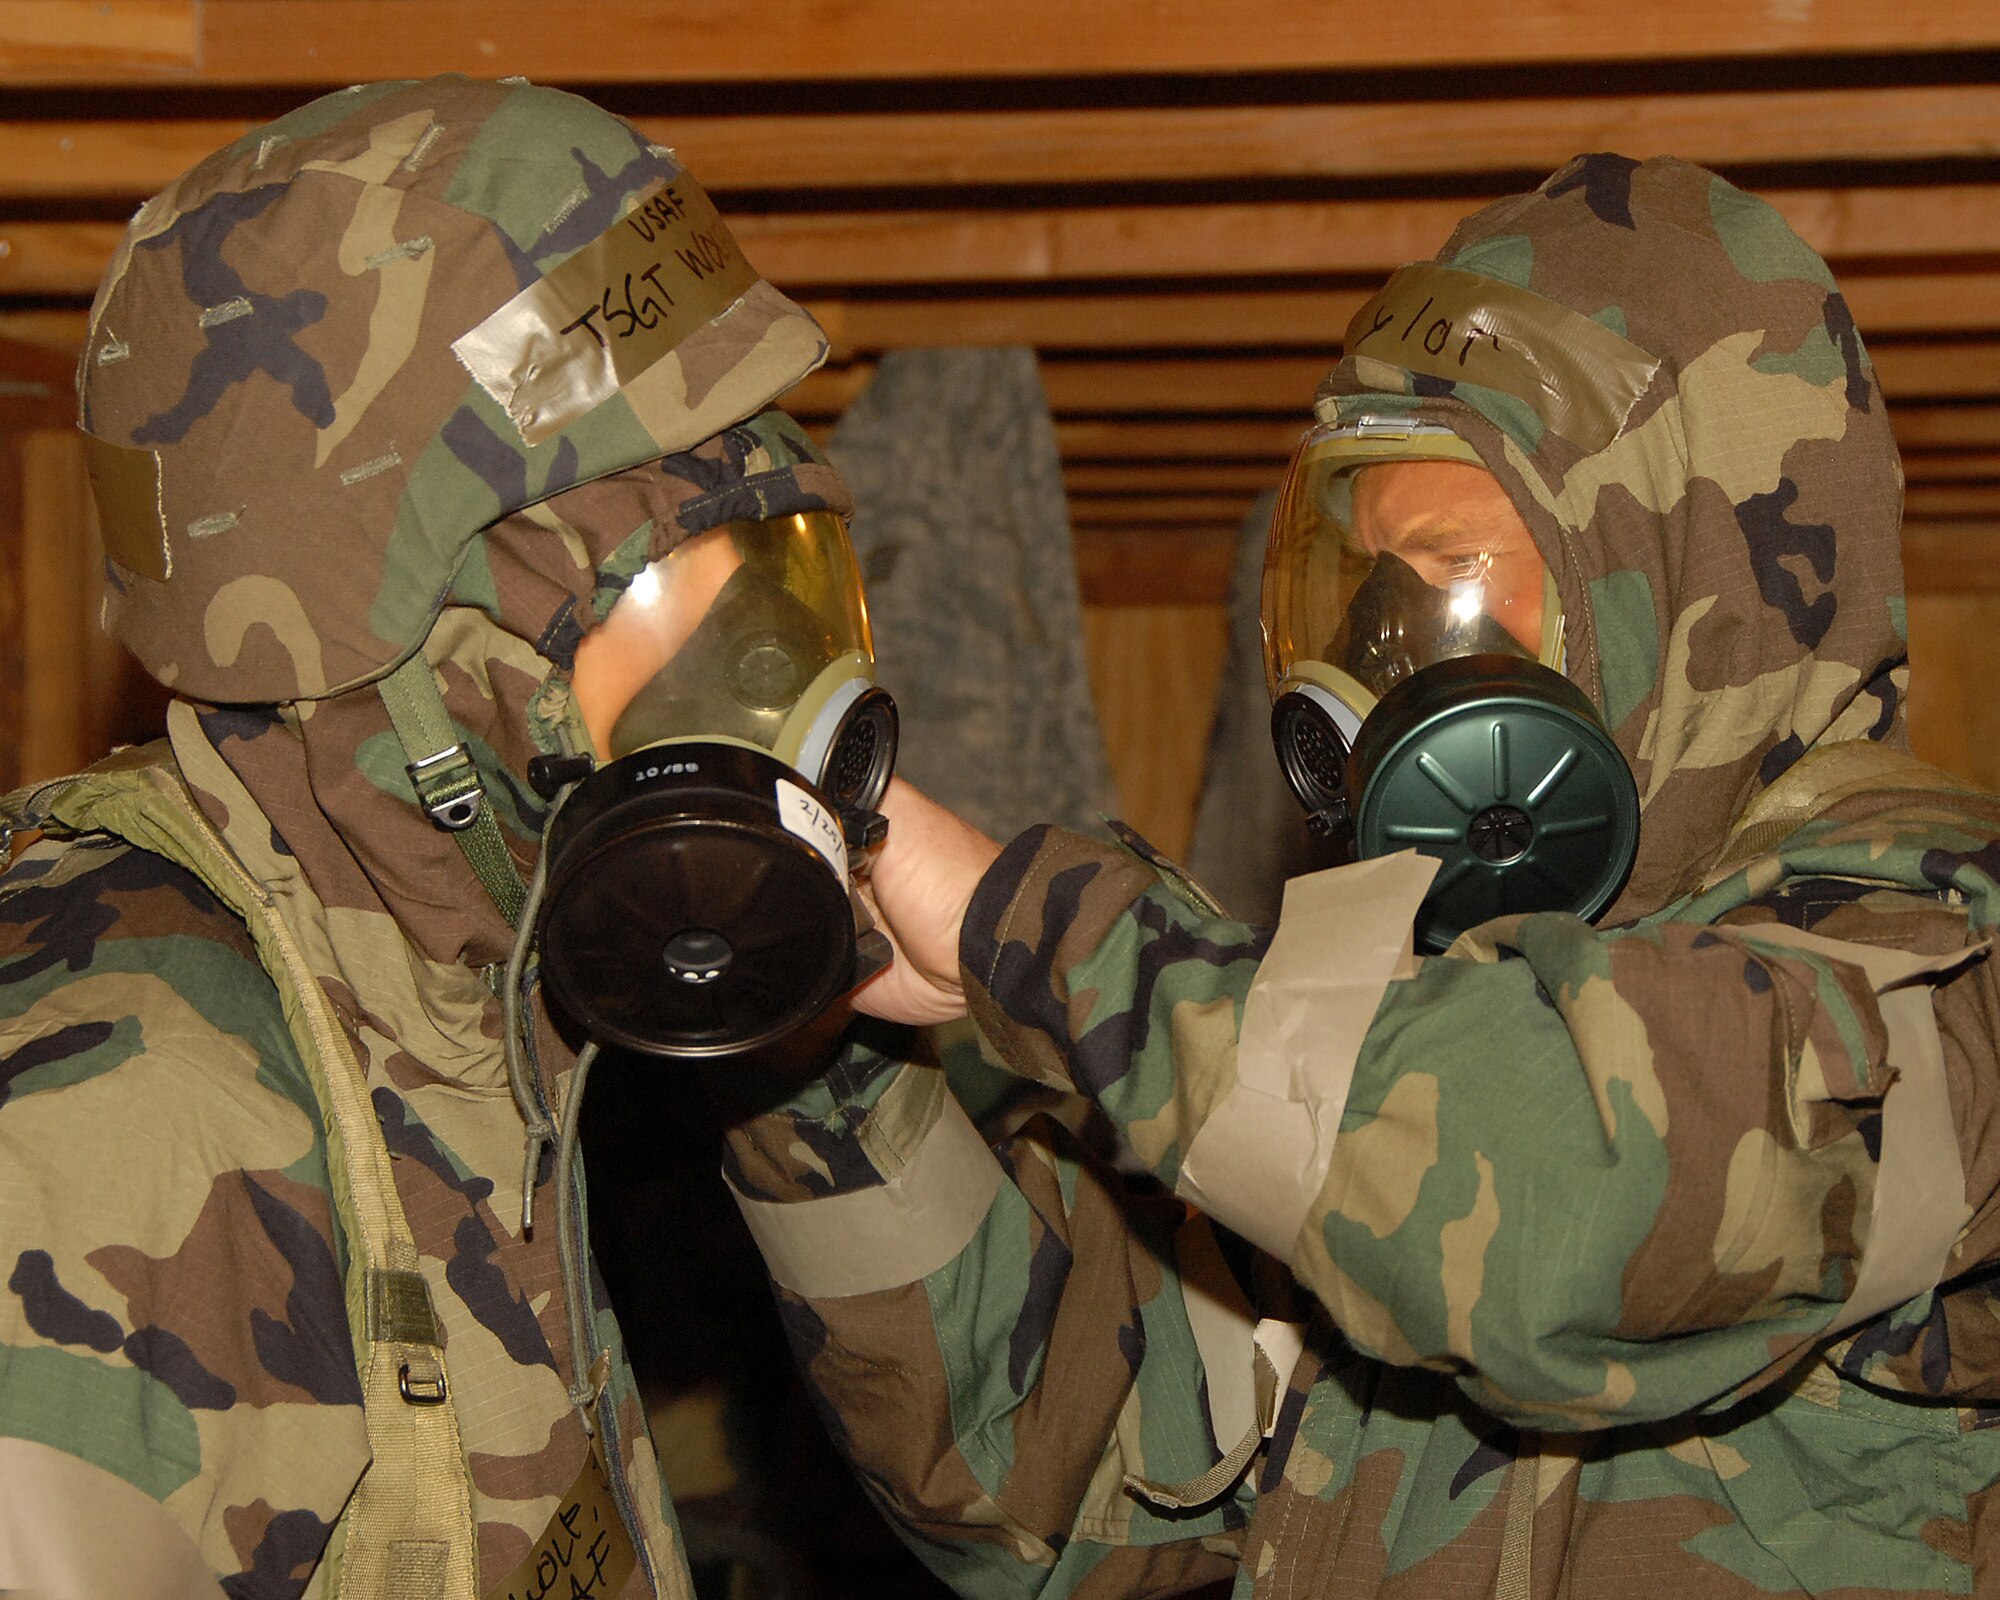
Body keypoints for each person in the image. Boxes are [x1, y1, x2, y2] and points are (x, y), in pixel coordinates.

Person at [721, 155, 2000, 1596]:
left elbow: (1556, 1211)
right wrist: (812, 1061)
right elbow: (1039, 1498)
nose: (1394, 655)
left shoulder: (1938, 963)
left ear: (1683, 575)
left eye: (1451, 567)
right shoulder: (1388, 1031)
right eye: (1377, 583)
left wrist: (1031, 923)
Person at [0, 74, 898, 1599]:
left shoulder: (459, 991)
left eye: (777, 554)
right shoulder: (124, 1122)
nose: (771, 678)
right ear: (386, 632)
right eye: (672, 563)